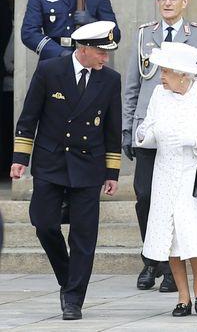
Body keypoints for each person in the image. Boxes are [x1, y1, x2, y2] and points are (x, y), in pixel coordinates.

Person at [10, 20, 122, 320]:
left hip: (89, 166)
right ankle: (67, 275)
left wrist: (112, 173)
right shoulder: (49, 71)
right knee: (43, 223)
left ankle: (74, 298)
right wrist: (20, 157)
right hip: (51, 162)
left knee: (84, 237)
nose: (105, 58)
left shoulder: (111, 80)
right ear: (83, 49)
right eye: (101, 52)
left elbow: (113, 129)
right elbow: (29, 116)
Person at [122, 0, 197, 293]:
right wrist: (128, 129)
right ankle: (153, 259)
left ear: (184, 2)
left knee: (177, 202)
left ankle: (167, 270)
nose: (168, 4)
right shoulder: (143, 35)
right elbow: (133, 87)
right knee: (146, 197)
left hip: (186, 135)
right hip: (151, 131)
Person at [135, 42, 197, 317]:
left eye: (165, 71)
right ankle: (182, 294)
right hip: (165, 173)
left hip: (194, 175)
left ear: (183, 74)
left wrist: (195, 141)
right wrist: (144, 134)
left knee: (192, 235)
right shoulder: (158, 94)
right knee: (171, 237)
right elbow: (152, 131)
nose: (161, 76)